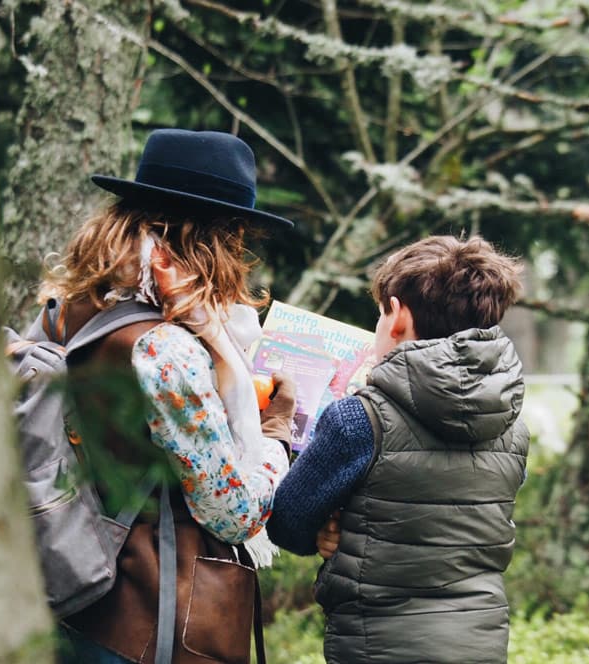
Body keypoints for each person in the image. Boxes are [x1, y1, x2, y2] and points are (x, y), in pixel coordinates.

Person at [41, 128, 297, 663]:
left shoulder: (71, 311)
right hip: (148, 623)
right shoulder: (165, 351)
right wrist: (275, 439)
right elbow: (233, 513)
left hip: (76, 593)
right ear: (212, 239)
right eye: (236, 238)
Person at [267, 235, 530, 664]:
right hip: (479, 643)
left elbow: (286, 524)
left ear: (398, 316)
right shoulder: (512, 424)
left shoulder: (358, 419)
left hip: (379, 646)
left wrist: (326, 526)